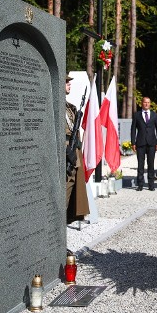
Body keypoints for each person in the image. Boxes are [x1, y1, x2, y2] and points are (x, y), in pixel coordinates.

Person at [65, 75, 89, 222]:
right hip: (66, 156)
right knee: (63, 197)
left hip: (74, 156)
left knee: (71, 199)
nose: (69, 84)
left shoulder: (69, 107)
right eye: (66, 82)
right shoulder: (55, 106)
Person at [130, 96, 157, 191]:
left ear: (150, 104)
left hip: (152, 143)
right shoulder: (137, 115)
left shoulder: (154, 115)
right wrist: (133, 143)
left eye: (148, 102)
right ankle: (140, 184)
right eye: (145, 102)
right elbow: (133, 129)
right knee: (140, 164)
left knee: (151, 164)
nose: (146, 104)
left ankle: (151, 184)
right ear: (142, 103)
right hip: (140, 143)